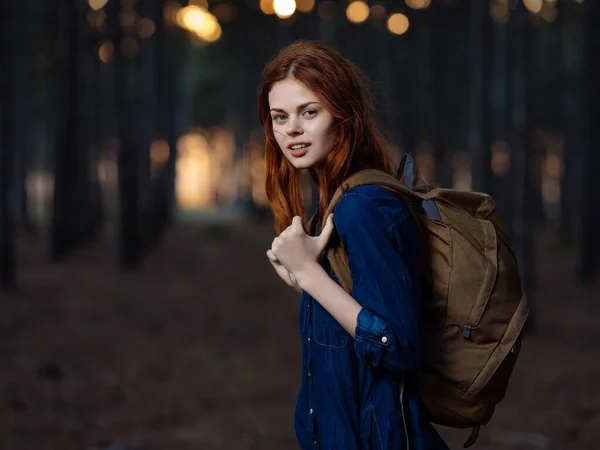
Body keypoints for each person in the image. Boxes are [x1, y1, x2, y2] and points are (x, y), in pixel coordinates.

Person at [259, 41, 449, 450]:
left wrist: (310, 275)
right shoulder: (334, 204)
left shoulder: (363, 207)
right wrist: (306, 278)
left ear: (344, 116)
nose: (291, 129)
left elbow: (397, 347)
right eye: (279, 117)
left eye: (309, 112)